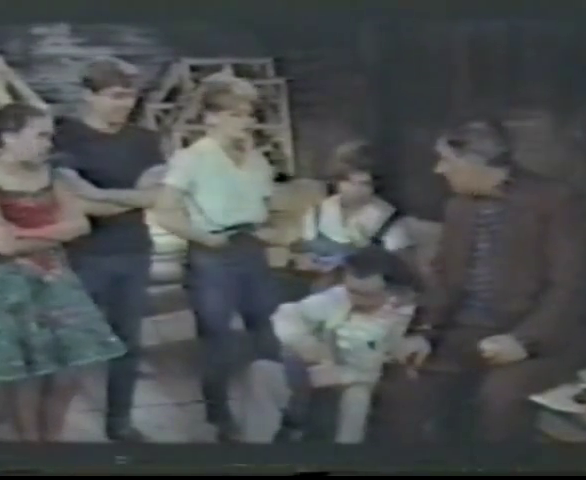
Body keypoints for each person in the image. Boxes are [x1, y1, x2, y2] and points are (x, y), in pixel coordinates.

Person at [371, 117, 586, 442]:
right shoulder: (457, 207)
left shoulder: (557, 202)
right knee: (403, 382)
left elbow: (571, 287)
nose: (438, 169)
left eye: (446, 160)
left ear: (476, 163)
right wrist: (423, 332)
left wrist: (525, 340)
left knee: (500, 398)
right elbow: (442, 280)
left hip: (539, 335)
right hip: (467, 331)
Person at [0, 103, 126, 442]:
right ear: (9, 136)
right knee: (25, 375)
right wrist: (53, 233)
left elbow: (80, 225)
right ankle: (31, 445)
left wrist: (25, 234)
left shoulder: (50, 174)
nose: (48, 143)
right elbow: (3, 246)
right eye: (41, 135)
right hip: (4, 286)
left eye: (50, 136)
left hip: (55, 278)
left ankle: (51, 438)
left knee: (69, 373)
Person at [153, 76, 280, 442]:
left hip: (251, 249)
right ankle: (220, 416)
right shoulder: (192, 158)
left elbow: (264, 204)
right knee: (217, 339)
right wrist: (205, 238)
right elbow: (165, 211)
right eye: (235, 114)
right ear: (211, 117)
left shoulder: (256, 158)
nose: (246, 121)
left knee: (268, 333)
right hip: (212, 255)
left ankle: (276, 408)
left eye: (249, 114)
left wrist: (267, 231)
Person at [52, 57, 165, 442]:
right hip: (83, 255)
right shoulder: (67, 136)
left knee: (127, 344)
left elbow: (156, 196)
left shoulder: (145, 140)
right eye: (115, 96)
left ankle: (120, 423)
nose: (125, 104)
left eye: (129, 96)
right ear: (89, 95)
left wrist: (99, 195)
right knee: (73, 345)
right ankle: (52, 429)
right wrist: (129, 197)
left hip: (134, 252)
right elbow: (76, 202)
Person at [239, 246, 425, 444]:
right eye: (351, 291)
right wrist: (307, 344)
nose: (355, 299)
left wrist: (340, 374)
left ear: (390, 290)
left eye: (366, 294)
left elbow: (377, 363)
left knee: (356, 399)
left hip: (362, 384)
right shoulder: (339, 297)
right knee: (260, 372)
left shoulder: (405, 314)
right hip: (317, 374)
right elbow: (287, 315)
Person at [292, 141, 414, 289]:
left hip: (371, 295)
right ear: (336, 181)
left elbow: (404, 273)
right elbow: (305, 255)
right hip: (323, 293)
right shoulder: (317, 213)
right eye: (349, 182)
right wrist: (306, 262)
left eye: (364, 184)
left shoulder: (388, 219)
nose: (356, 190)